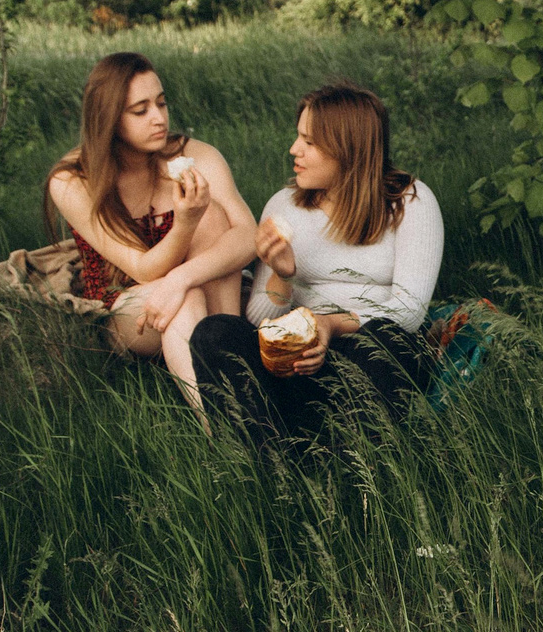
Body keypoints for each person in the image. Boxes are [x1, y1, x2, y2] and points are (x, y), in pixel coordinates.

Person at [189, 81, 443, 440]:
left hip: (368, 358)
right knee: (215, 332)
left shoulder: (410, 201)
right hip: (296, 361)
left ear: (347, 148)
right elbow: (260, 317)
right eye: (298, 137)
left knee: (385, 338)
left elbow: (409, 311)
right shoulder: (283, 205)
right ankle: (270, 462)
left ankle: (355, 466)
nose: (294, 150)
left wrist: (331, 325)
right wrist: (282, 275)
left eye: (309, 142)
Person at [46, 52, 257, 411]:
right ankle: (222, 425)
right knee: (188, 292)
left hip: (195, 291)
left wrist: (180, 279)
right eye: (140, 110)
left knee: (213, 219)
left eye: (161, 103)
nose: (159, 118)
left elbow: (248, 235)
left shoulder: (194, 154)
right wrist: (185, 222)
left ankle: (235, 361)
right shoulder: (72, 179)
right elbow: (142, 270)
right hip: (126, 305)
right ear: (109, 118)